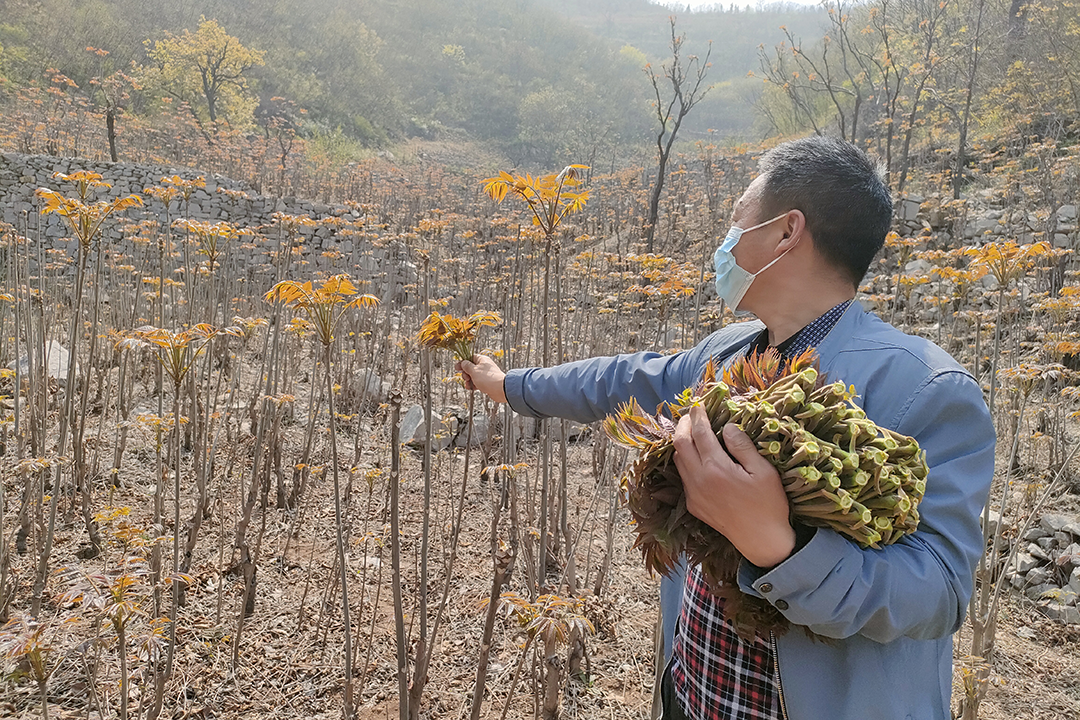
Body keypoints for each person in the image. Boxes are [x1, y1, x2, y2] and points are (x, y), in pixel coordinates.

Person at [456, 136, 995, 720]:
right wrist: (510, 386)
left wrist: (779, 547)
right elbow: (622, 380)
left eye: (739, 217)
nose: (727, 237)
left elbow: (939, 594)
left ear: (786, 232)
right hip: (694, 693)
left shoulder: (925, 388)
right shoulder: (728, 354)